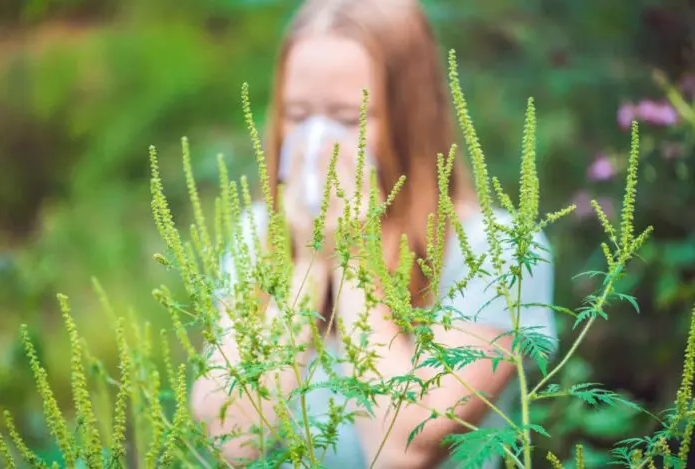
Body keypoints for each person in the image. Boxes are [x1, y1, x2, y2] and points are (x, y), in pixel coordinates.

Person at [191, 0, 556, 468]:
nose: (318, 142)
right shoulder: (256, 235)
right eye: (299, 115)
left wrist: (352, 257)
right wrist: (307, 263)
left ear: (410, 121)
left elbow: (404, 448)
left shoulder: (498, 252)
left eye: (348, 120)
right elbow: (234, 441)